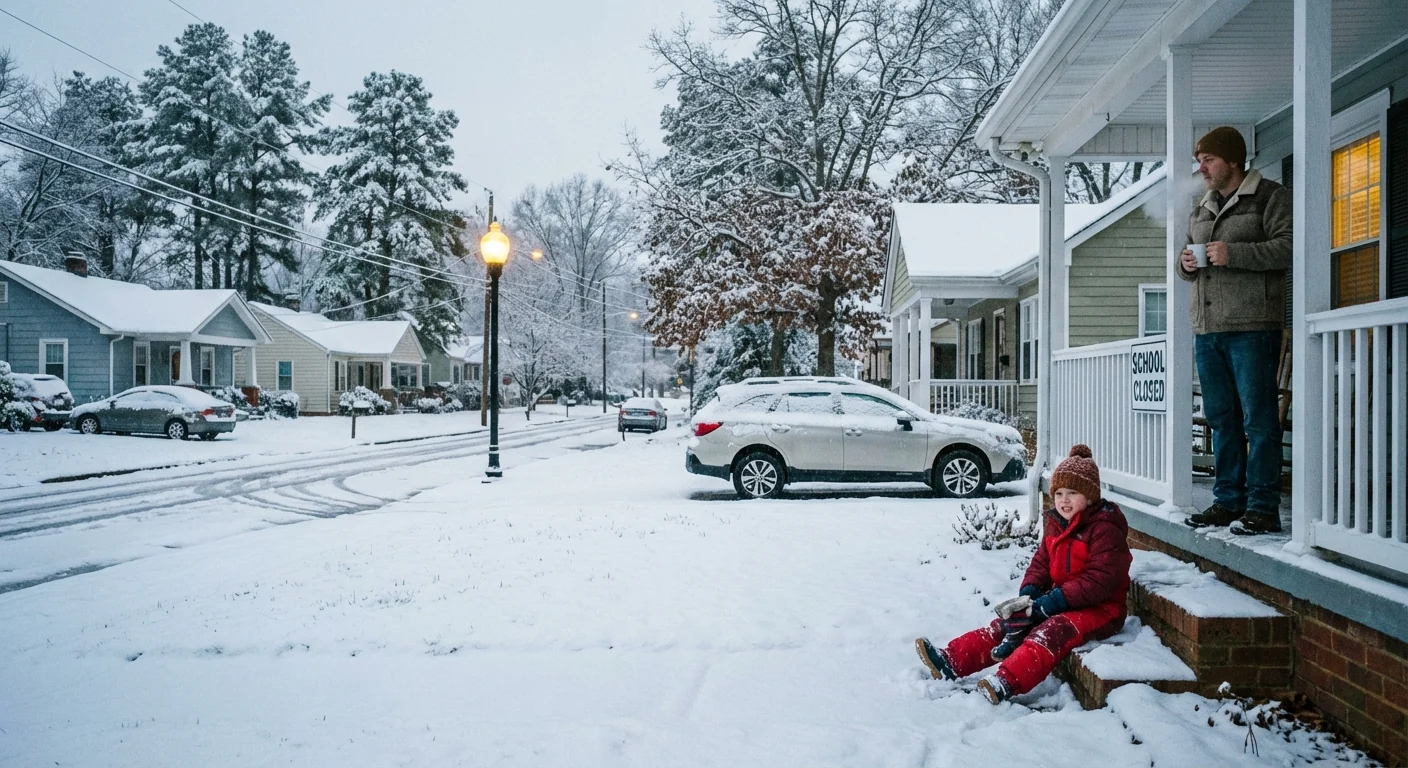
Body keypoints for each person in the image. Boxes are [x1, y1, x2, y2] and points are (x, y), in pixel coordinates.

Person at [914, 445, 1133, 704]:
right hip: (1064, 601)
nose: (1064, 500)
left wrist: (1052, 603)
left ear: (1090, 496)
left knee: (1051, 630)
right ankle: (952, 660)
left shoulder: (1104, 529)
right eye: (1059, 493)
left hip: (1101, 610)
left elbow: (1099, 581)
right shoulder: (1058, 525)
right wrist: (1029, 596)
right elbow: (1041, 564)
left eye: (1073, 493)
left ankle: (1007, 681)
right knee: (1012, 623)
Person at [1178, 126, 1293, 535]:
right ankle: (1228, 500)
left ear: (1232, 160)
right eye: (1199, 160)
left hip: (1252, 327)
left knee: (1258, 420)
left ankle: (1262, 507)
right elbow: (1190, 256)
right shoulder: (1202, 205)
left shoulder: (1271, 197)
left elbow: (1289, 246)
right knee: (1221, 418)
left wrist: (1234, 253)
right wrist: (1185, 265)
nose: (1202, 168)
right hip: (1208, 329)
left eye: (1208, 159)